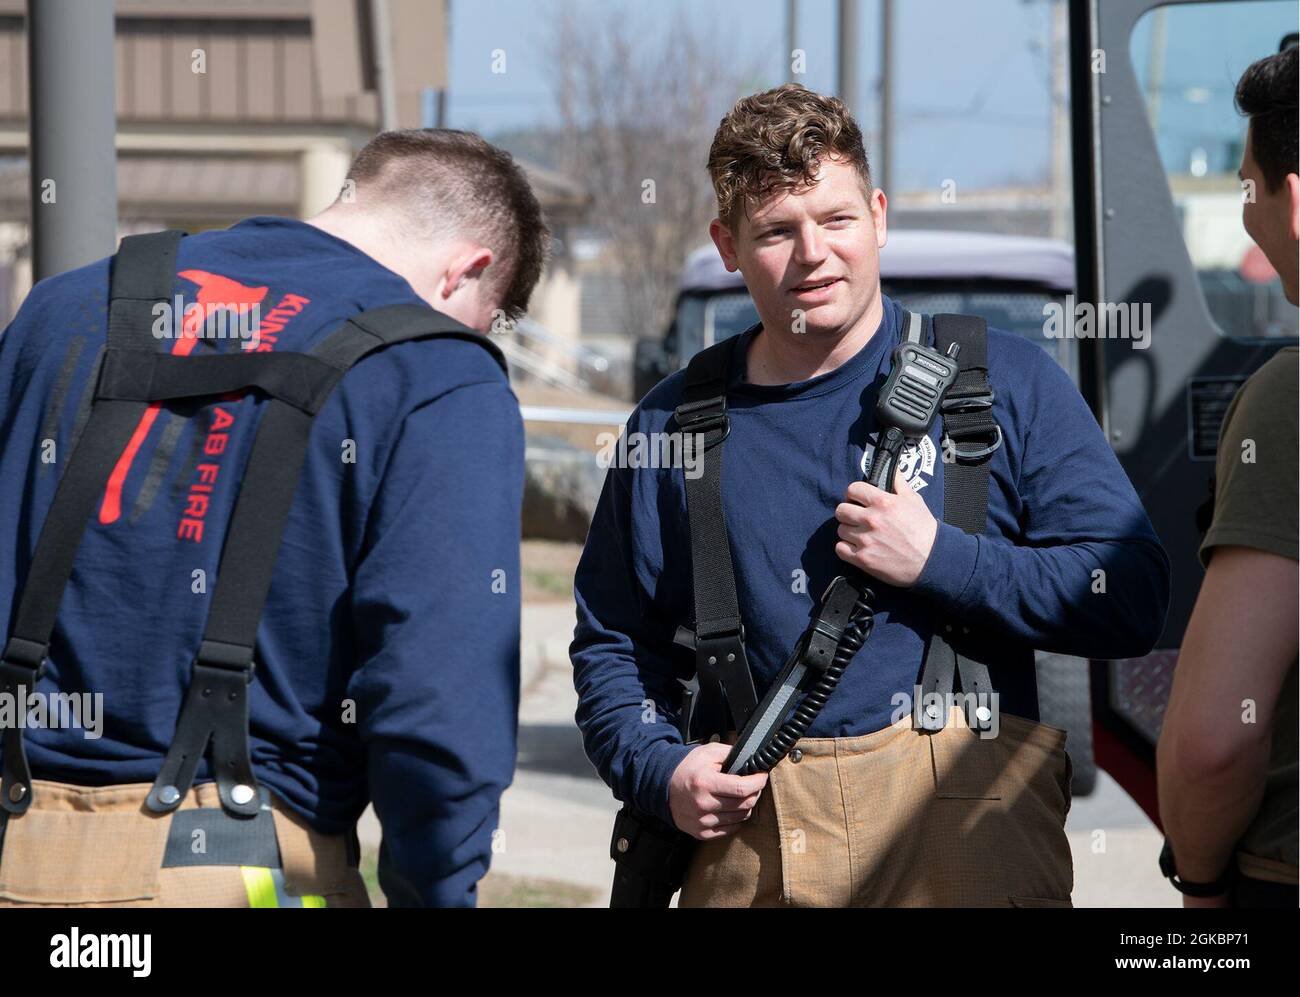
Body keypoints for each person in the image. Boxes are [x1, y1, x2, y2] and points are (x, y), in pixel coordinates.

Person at [571, 83, 1170, 907]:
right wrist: (661, 768)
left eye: (837, 220)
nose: (813, 254)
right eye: (777, 232)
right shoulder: (672, 424)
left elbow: (1132, 594)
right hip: (755, 854)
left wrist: (944, 561)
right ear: (727, 246)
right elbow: (612, 644)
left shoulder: (1007, 388)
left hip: (972, 844)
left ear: (879, 215)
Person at [0, 128, 547, 907]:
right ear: (468, 271)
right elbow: (437, 702)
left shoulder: (61, 308)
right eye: (486, 319)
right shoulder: (439, 371)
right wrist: (438, 889)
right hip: (231, 865)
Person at [1156, 43, 1298, 909]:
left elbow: (1215, 739)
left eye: (1247, 187)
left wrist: (1197, 881)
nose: (1247, 214)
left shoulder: (1287, 403)